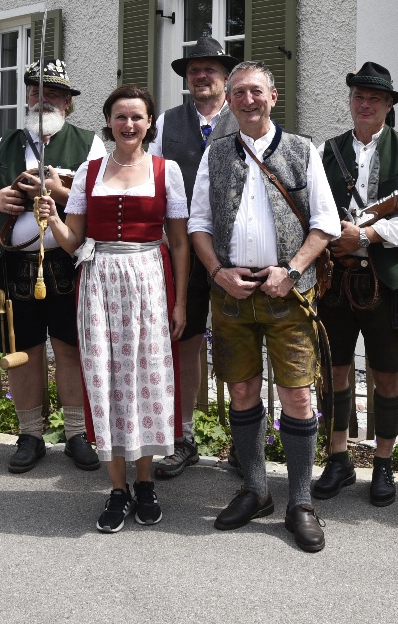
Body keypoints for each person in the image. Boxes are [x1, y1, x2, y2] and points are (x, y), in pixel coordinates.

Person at [188, 61, 339, 553]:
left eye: (256, 91)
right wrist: (218, 273)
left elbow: (325, 222)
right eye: (239, 93)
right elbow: (198, 224)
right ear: (228, 100)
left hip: (288, 293)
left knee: (297, 397)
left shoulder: (301, 150)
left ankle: (301, 503)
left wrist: (291, 270)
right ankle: (255, 490)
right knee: (241, 391)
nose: (248, 100)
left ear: (273, 96)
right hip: (231, 293)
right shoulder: (215, 154)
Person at [37, 86, 190, 532]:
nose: (128, 124)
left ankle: (146, 482)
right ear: (108, 121)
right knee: (105, 379)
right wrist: (53, 216)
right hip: (99, 280)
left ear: (149, 123)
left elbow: (180, 243)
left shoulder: (166, 171)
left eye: (137, 117)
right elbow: (74, 242)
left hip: (149, 280)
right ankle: (118, 488)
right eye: (120, 116)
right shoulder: (90, 171)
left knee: (145, 379)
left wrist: (180, 301)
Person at [0, 59, 106, 473]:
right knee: (23, 350)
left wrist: (58, 191)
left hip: (69, 262)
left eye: (53, 93)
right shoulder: (5, 144)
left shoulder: (89, 144)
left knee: (70, 348)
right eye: (35, 91)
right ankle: (30, 434)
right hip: (15, 264)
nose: (42, 99)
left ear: (67, 103)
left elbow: (101, 202)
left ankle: (76, 434)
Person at [312, 62, 398, 507]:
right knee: (335, 370)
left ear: (388, 105)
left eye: (374, 98)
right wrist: (332, 239)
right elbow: (313, 208)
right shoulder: (327, 150)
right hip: (335, 279)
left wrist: (362, 236)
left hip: (385, 279)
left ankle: (383, 462)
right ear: (350, 101)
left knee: (388, 374)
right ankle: (338, 458)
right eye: (359, 96)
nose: (365, 104)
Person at [146, 36, 239, 478]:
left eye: (210, 70)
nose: (201, 76)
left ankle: (244, 442)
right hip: (181, 251)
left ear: (226, 77)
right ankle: (183, 437)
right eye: (194, 70)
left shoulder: (244, 118)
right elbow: (151, 180)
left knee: (240, 343)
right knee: (184, 341)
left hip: (235, 253)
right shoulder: (167, 122)